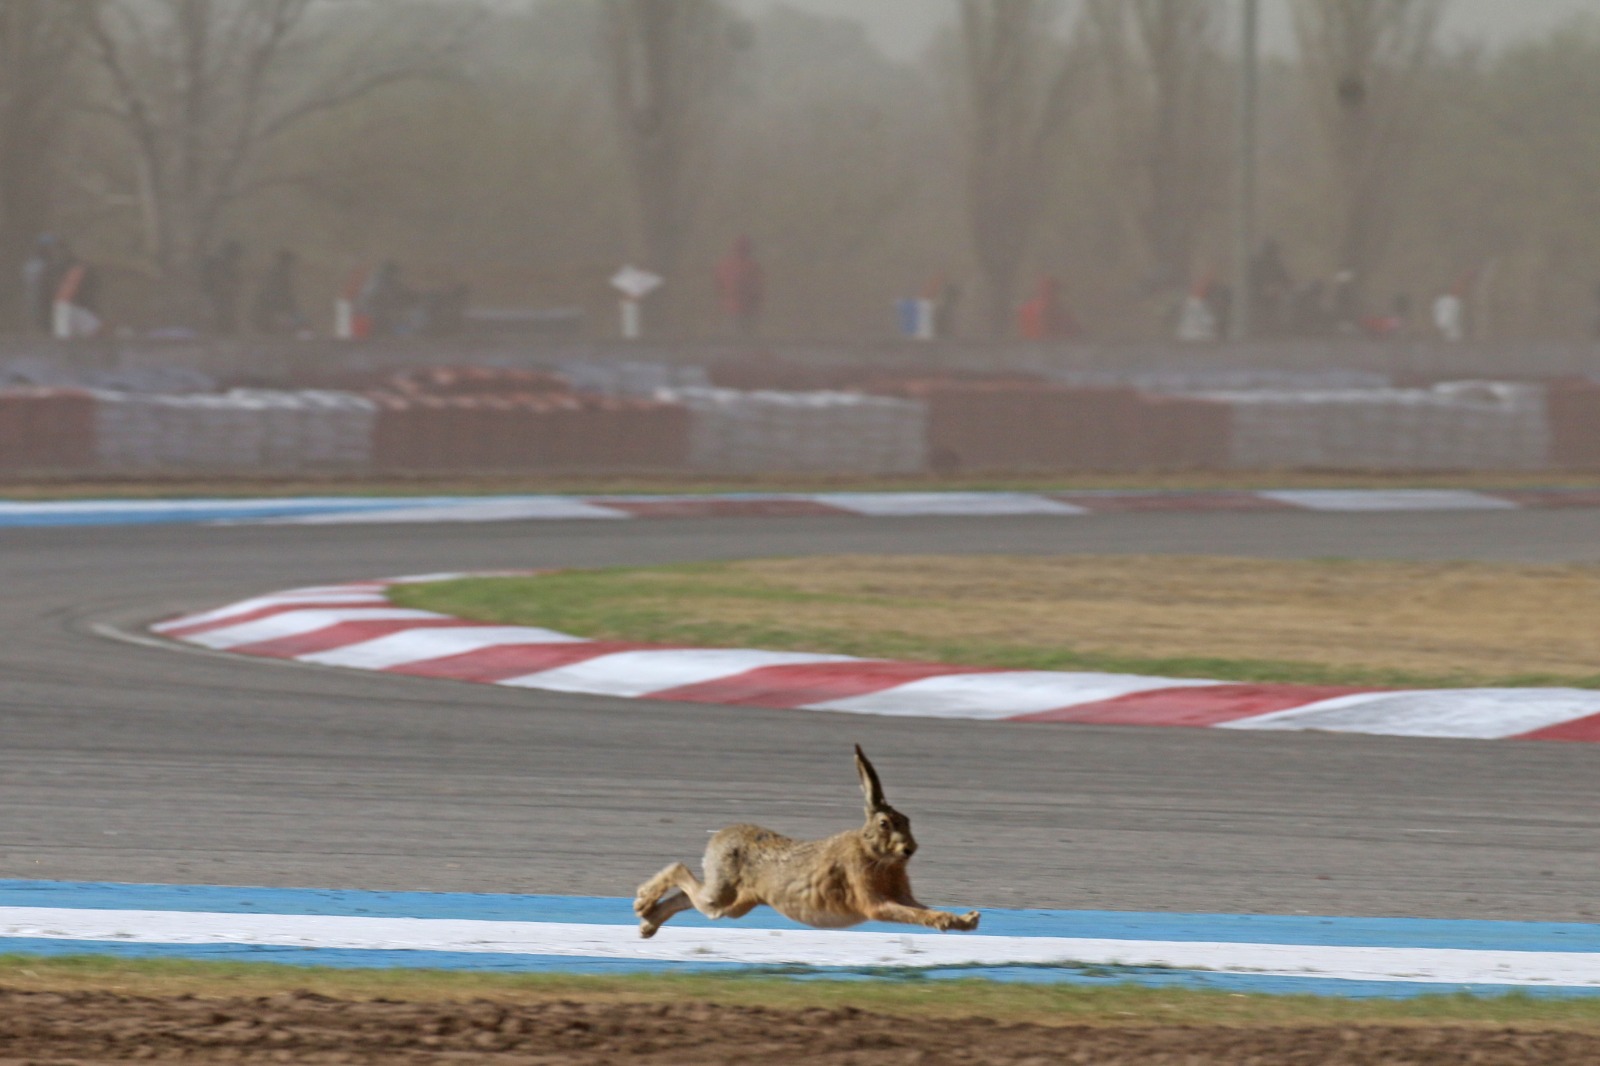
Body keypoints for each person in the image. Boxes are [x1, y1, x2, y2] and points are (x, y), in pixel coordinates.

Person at [715, 234, 764, 337]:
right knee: (734, 340)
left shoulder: (752, 267)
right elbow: (720, 287)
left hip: (744, 312)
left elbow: (758, 290)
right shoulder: (727, 266)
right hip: (734, 311)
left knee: (743, 340)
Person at [252, 249, 303, 335]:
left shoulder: (277, 273)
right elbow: (280, 293)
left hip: (273, 308)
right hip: (272, 308)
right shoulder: (279, 274)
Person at [22, 234, 65, 334]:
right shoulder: (37, 265)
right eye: (50, 248)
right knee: (39, 322)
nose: (52, 250)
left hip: (46, 300)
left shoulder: (46, 264)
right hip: (39, 299)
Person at [200, 239, 243, 335]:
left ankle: (224, 331)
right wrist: (228, 289)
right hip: (212, 295)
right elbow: (218, 280)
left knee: (220, 314)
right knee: (212, 315)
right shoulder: (219, 263)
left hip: (219, 295)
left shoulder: (225, 263)